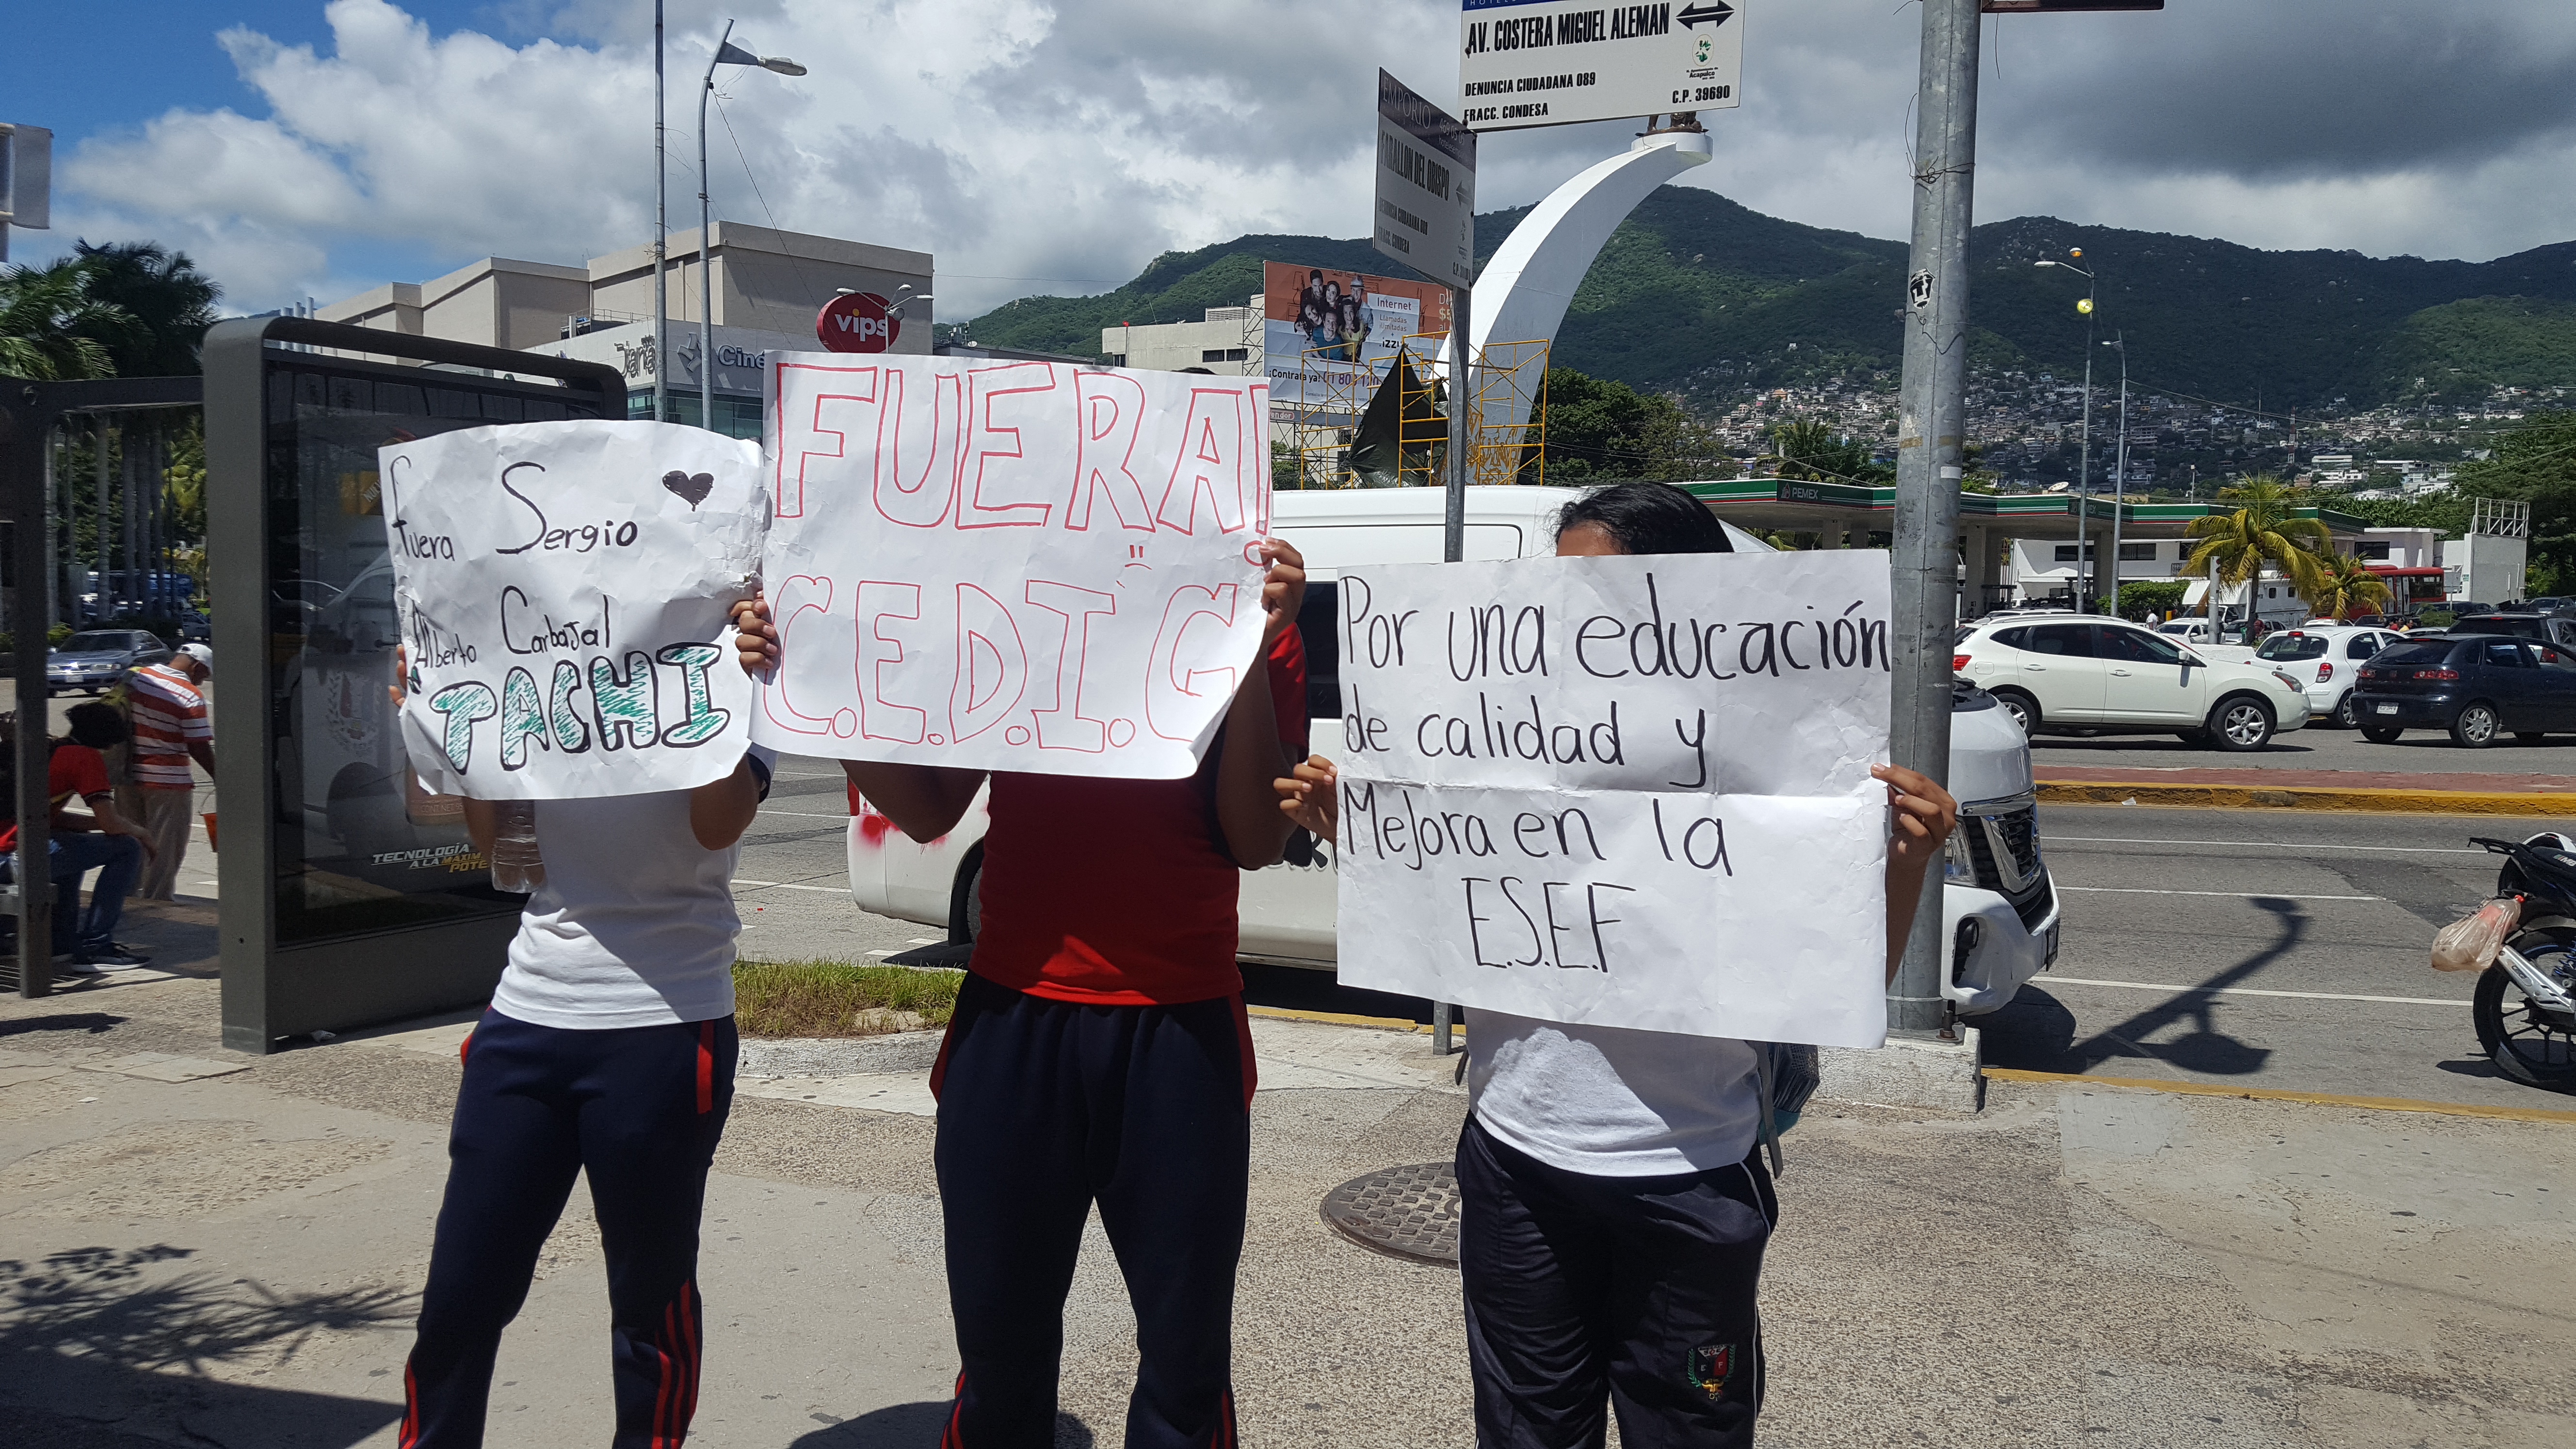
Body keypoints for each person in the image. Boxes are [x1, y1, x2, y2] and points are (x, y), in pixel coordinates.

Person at [1274, 483, 1959, 1449]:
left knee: (1688, 1430)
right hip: (1513, 1159)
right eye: (1555, 592)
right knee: (1526, 1430)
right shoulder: (1511, 729)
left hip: (1690, 1174)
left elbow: (1835, 978)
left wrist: (1903, 862)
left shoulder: (1772, 762)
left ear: (1682, 599)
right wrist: (1372, 832)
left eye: (1595, 593)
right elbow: (1463, 904)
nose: (1567, 619)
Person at [730, 538, 1309, 1449]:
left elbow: (1256, 838)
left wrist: (1241, 644)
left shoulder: (1262, 619)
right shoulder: (1016, 607)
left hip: (1177, 1026)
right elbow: (925, 809)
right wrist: (813, 686)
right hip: (1013, 1019)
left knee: (1185, 1357)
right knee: (1000, 1349)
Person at [391, 650, 777, 1448]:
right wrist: (458, 721)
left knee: (649, 1297)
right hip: (528, 1009)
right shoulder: (531, 644)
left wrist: (701, 675)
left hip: (666, 1017)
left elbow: (717, 822)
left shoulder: (736, 661)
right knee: (461, 1291)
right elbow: (500, 850)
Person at [0, 704, 159, 973]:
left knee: (71, 841)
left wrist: (111, 825)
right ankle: (96, 946)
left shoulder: (50, 750)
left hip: (5, 855)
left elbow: (47, 820)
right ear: (109, 744)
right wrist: (140, 832)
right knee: (127, 848)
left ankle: (60, 943)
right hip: (15, 859)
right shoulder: (85, 757)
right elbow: (110, 822)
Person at [125, 642, 216, 900]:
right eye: (204, 675)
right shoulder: (188, 695)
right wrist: (220, 777)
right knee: (165, 849)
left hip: (127, 774)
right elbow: (198, 746)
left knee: (131, 843)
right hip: (168, 781)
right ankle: (157, 901)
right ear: (197, 667)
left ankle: (125, 899)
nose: (202, 682)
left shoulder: (135, 677)